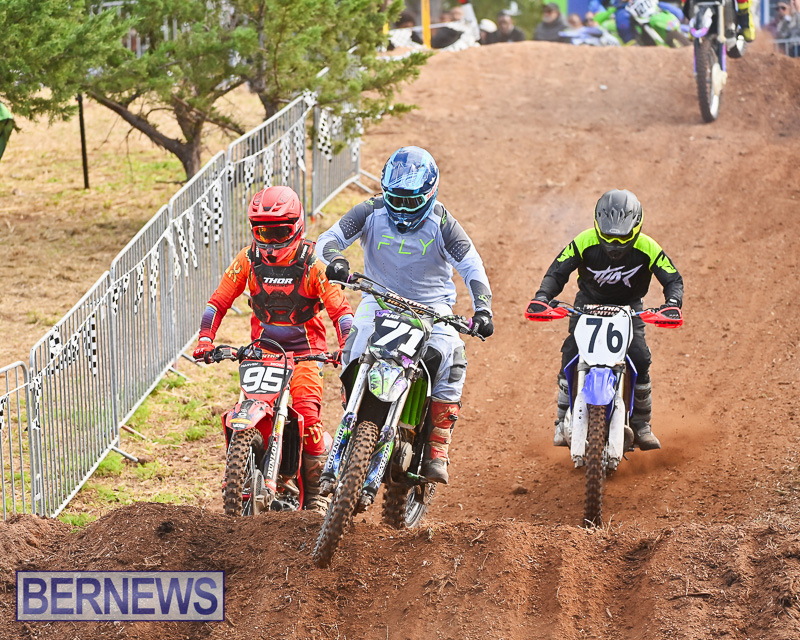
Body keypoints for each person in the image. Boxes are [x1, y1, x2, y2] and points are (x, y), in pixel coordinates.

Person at [316, 146, 494, 485]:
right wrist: (335, 261)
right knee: (352, 345)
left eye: (410, 201)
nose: (401, 209)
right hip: (378, 298)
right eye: (394, 198)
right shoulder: (370, 210)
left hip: (432, 308)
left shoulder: (443, 223)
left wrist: (482, 307)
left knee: (451, 355)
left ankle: (439, 445)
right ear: (384, 191)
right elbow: (328, 239)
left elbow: (472, 266)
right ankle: (352, 411)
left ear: (429, 194)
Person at [192, 186, 354, 513]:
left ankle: (317, 497)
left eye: (278, 231)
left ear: (295, 227)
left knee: (308, 418)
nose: (270, 241)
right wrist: (206, 338)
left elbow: (341, 312)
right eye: (262, 231)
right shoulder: (248, 260)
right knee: (251, 408)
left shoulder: (313, 263)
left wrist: (347, 348)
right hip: (262, 353)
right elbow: (218, 302)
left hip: (307, 354)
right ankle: (257, 475)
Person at [526, 189, 683, 451]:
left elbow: (672, 278)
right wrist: (543, 297)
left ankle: (642, 423)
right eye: (608, 237)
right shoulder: (584, 240)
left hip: (629, 308)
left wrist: (673, 304)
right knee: (571, 352)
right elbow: (557, 271)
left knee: (640, 356)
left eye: (621, 238)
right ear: (597, 227)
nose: (614, 244)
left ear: (636, 228)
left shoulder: (648, 246)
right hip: (587, 306)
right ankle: (561, 418)